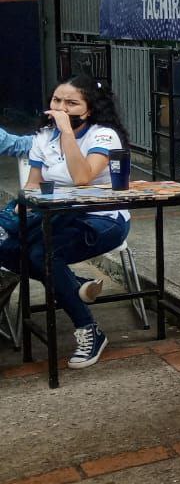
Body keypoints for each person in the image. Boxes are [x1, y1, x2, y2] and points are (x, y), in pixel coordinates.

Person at [0, 76, 131, 368]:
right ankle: (76, 285)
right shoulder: (44, 138)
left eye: (71, 103)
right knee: (8, 251)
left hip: (102, 218)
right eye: (57, 101)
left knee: (44, 254)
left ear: (88, 109)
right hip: (58, 215)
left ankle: (89, 331)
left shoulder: (103, 135)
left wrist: (67, 134)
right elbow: (33, 186)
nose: (61, 108)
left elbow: (83, 177)